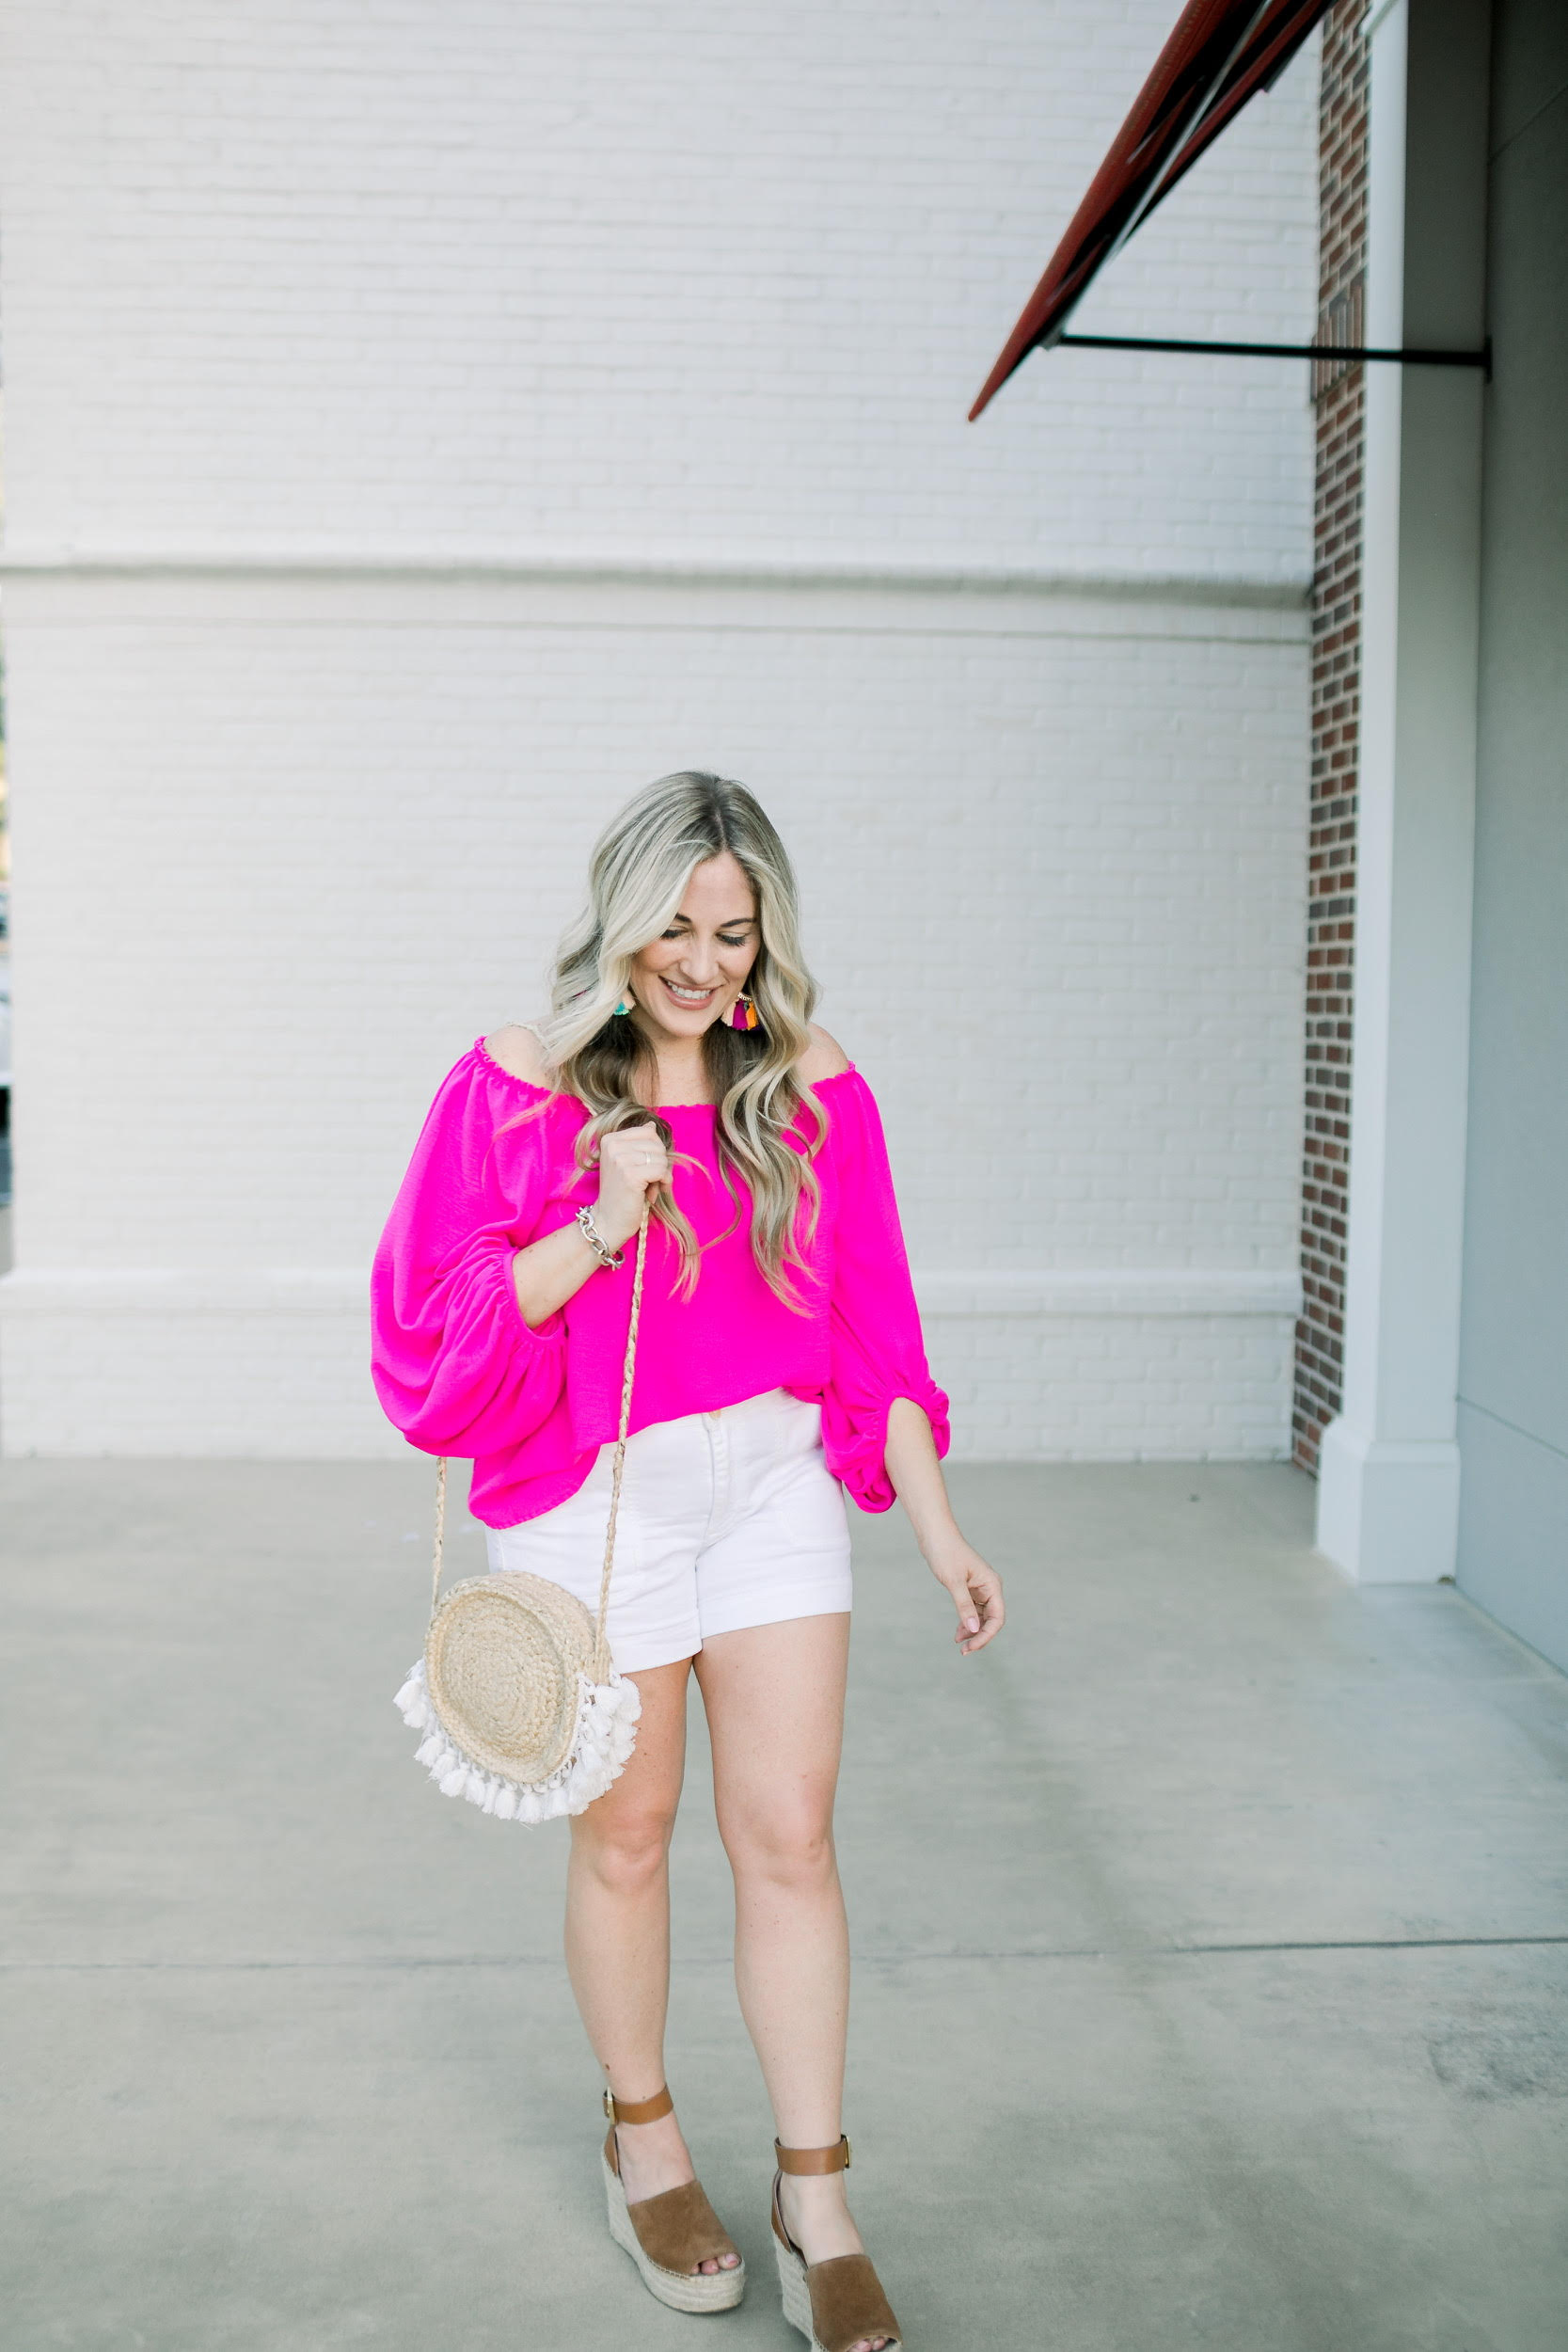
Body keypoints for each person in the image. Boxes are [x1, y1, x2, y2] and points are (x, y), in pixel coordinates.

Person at [372, 771, 1004, 2352]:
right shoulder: (520, 1086)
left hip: (772, 1482)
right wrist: (596, 1217)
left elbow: (881, 1334)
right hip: (602, 1493)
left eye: (737, 933)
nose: (706, 963)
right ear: (619, 912)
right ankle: (642, 2137)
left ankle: (819, 2198)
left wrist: (935, 1526)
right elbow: (430, 1343)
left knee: (790, 1834)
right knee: (633, 1834)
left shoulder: (805, 1086)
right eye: (678, 924)